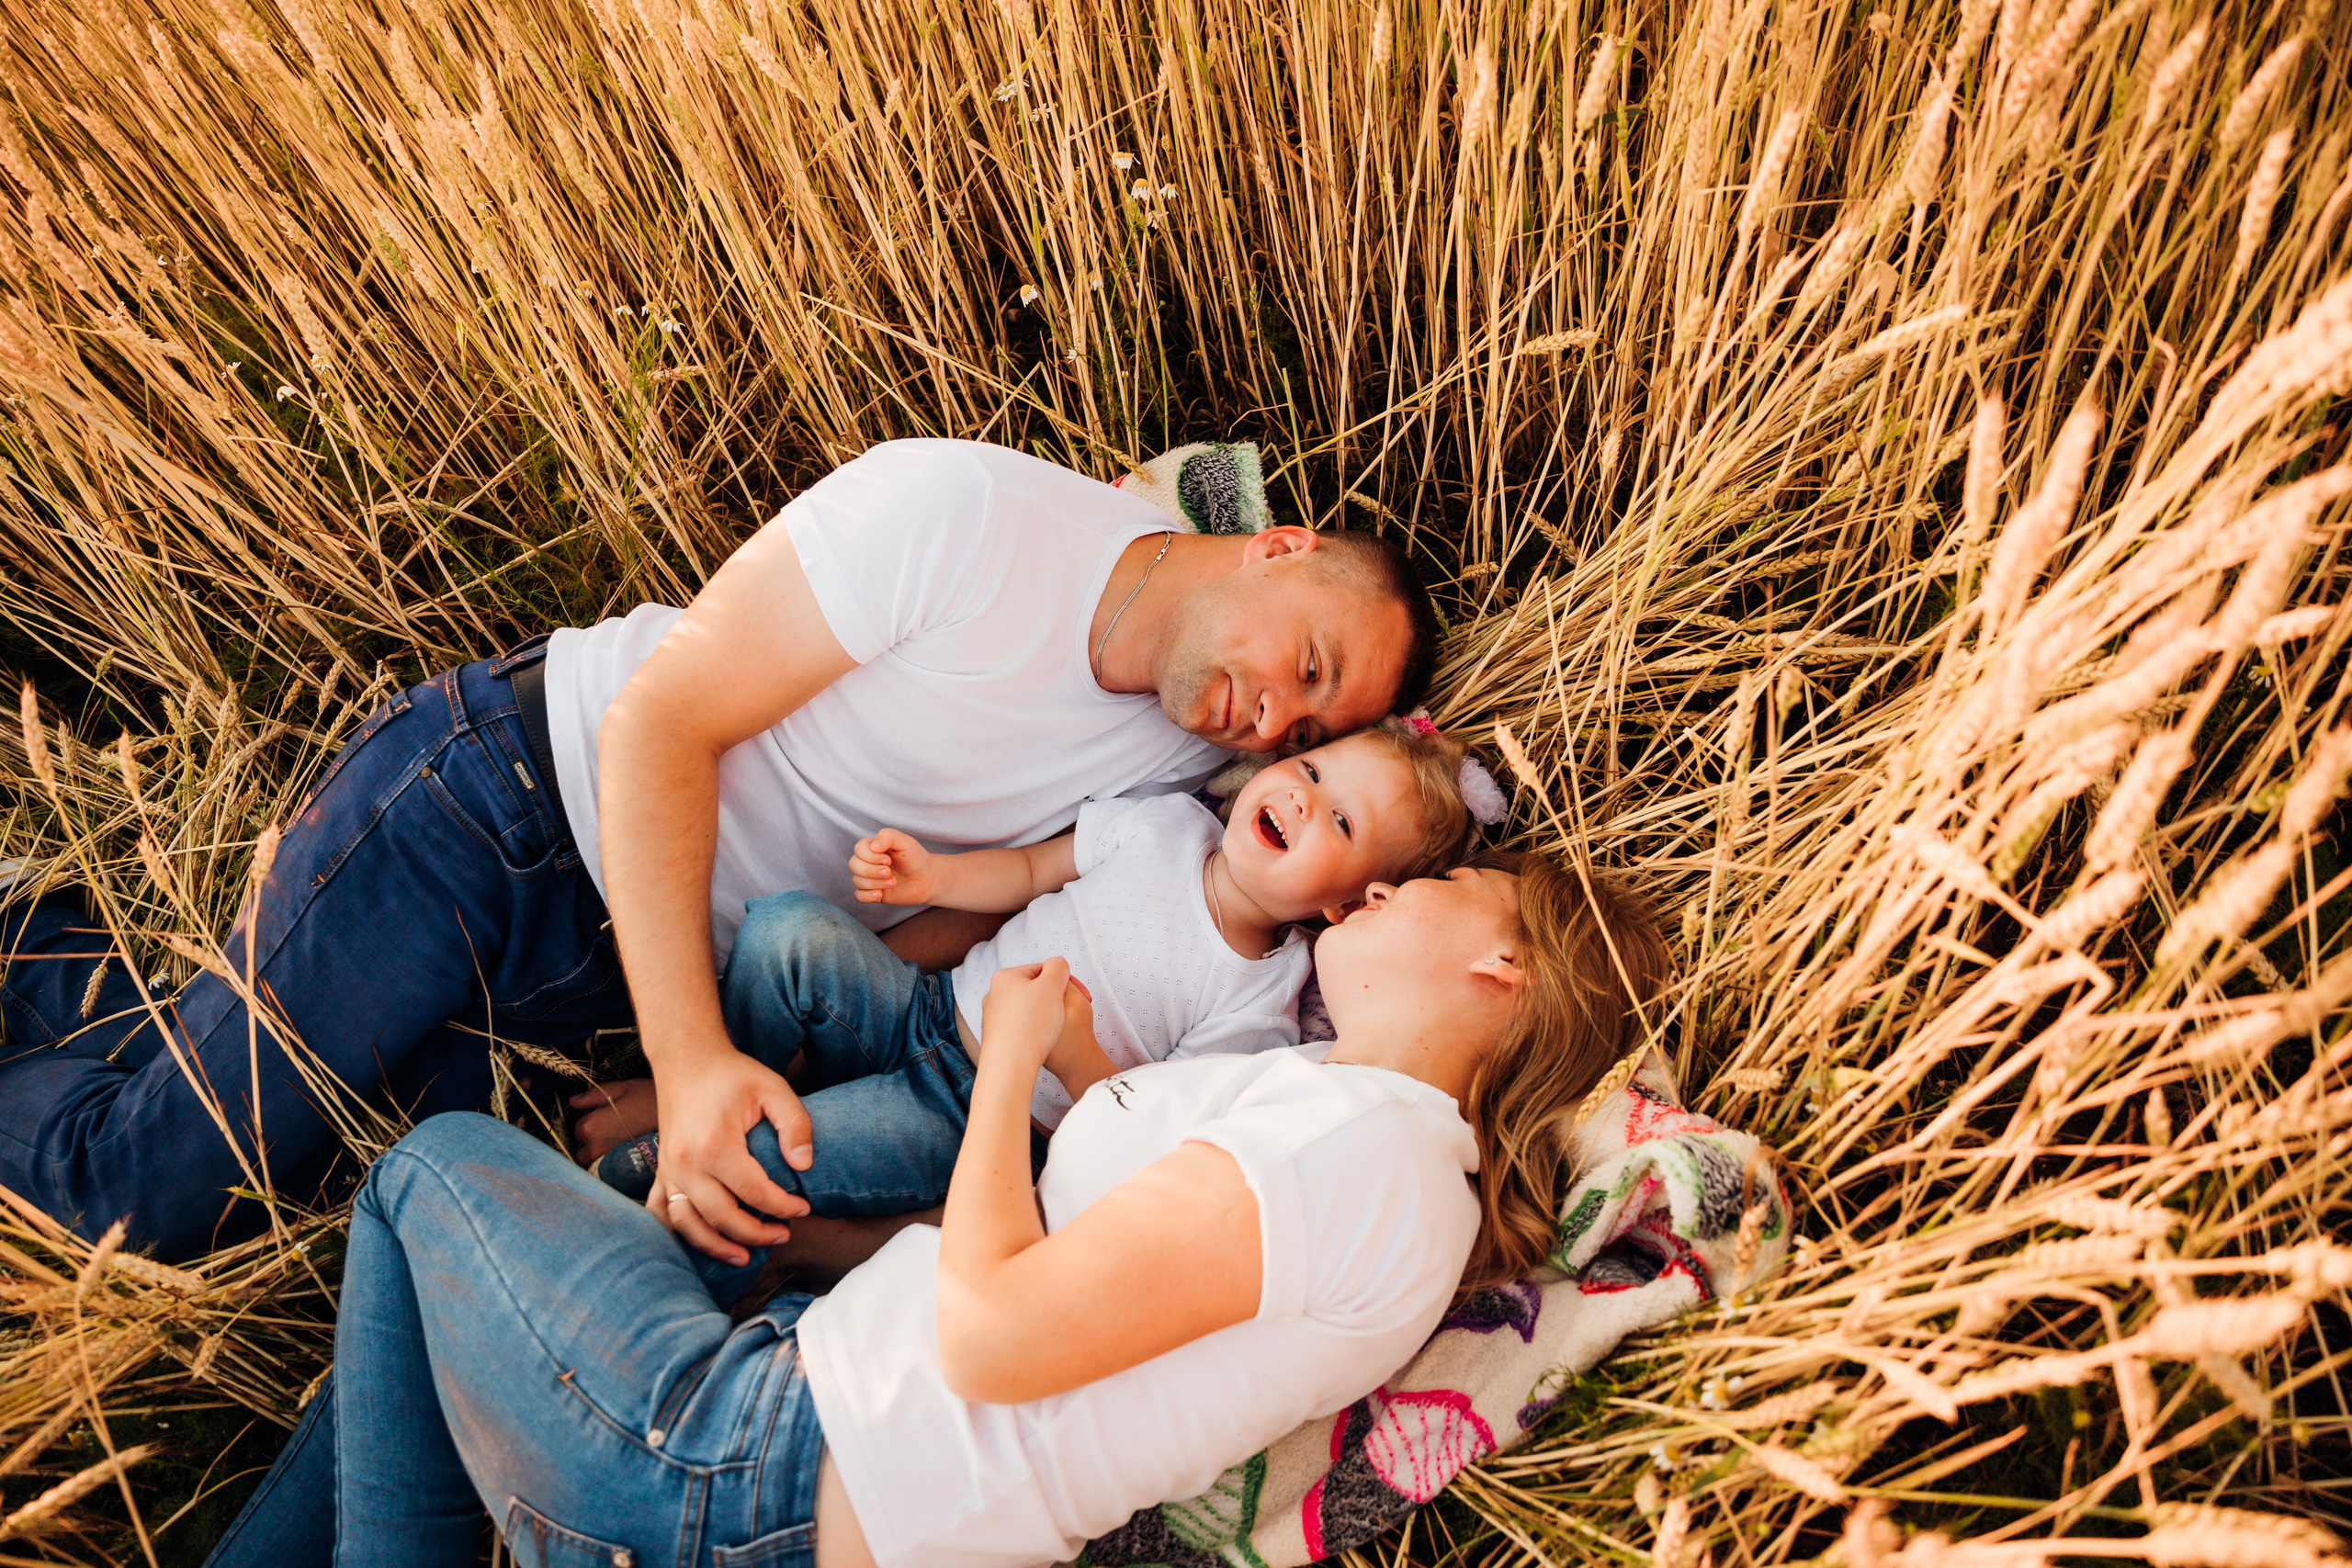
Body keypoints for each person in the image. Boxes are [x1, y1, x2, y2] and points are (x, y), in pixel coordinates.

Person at [0, 439, 1440, 1261]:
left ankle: (33, 943)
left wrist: (718, 1059)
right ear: (1277, 544)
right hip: (507, 806)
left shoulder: (1198, 771)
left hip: (624, 963)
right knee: (134, 1195)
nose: (1280, 715)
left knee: (289, 1165)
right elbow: (660, 722)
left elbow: (997, 924)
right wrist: (691, 1063)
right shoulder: (966, 516)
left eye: (1318, 720)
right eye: (1307, 660)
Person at [201, 852, 1670, 1568]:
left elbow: (989, 1337)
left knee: (430, 1171)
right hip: (803, 1461)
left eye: (1443, 878)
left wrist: (1009, 1063)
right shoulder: (1340, 1124)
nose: (1390, 882)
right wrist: (1082, 1073)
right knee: (493, 1250)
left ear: (1504, 967)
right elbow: (1082, 1269)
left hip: (759, 1470)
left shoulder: (1365, 1152)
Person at [589, 721, 1499, 1293]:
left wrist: (1069, 1048)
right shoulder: (1164, 824)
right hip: (924, 1008)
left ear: (1346, 907)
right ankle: (714, 1085)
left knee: (777, 1160)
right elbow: (1030, 871)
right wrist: (934, 877)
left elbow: (1135, 1126)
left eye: (1341, 822)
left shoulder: (1257, 1000)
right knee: (787, 932)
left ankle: (650, 1247)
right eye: (1312, 766)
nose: (1305, 797)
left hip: (974, 1115)